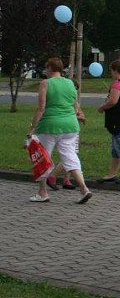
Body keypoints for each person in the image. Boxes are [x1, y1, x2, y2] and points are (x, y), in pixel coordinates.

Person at [27, 57, 93, 204]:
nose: (45, 71)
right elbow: (75, 106)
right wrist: (79, 116)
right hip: (70, 126)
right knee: (70, 157)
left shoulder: (45, 83)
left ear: (50, 68)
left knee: (43, 158)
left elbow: (41, 108)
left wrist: (32, 128)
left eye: (46, 68)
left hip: (49, 126)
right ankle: (84, 189)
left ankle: (42, 192)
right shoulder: (70, 83)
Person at [96, 59, 120, 184]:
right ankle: (112, 173)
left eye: (111, 71)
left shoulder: (118, 83)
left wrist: (102, 108)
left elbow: (113, 101)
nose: (111, 73)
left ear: (116, 70)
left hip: (118, 119)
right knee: (115, 148)